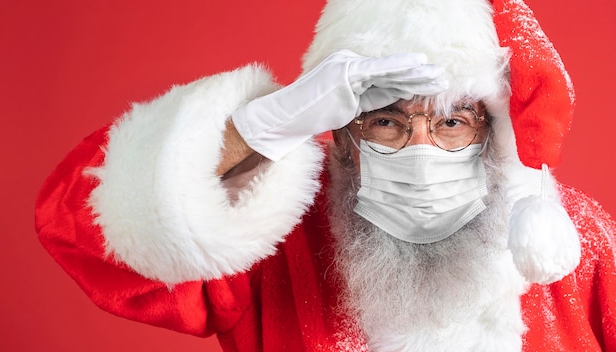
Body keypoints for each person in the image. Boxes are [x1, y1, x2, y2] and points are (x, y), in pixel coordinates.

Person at [35, 0, 616, 351]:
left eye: (452, 121)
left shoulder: (579, 243)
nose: (420, 148)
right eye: (386, 121)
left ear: (492, 131)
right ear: (339, 133)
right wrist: (262, 127)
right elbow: (83, 229)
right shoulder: (274, 246)